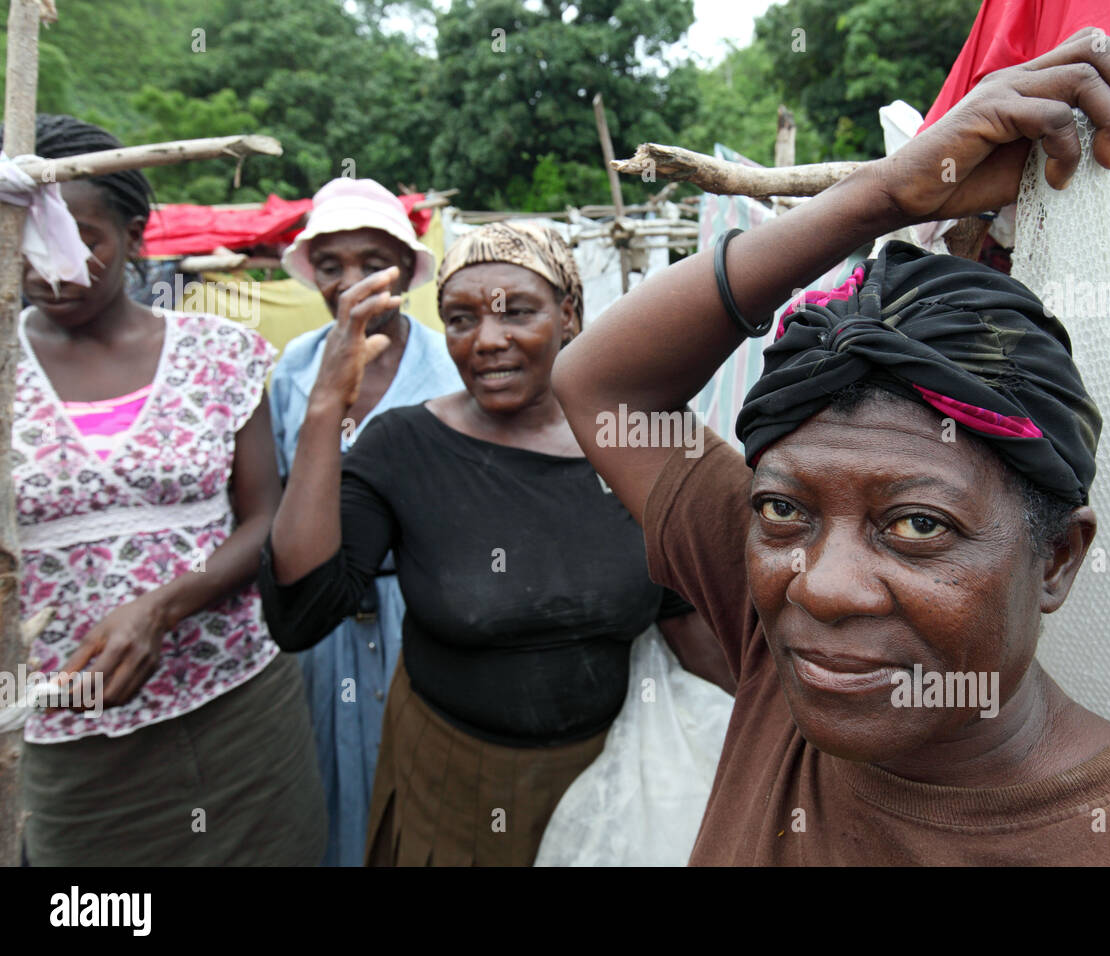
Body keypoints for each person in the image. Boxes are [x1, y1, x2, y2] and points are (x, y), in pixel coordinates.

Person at [552, 31, 1110, 865]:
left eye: (916, 526)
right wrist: (881, 200)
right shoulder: (785, 658)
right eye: (780, 509)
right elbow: (601, 389)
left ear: (1057, 556)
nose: (825, 588)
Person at [259, 220, 722, 866]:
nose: (487, 341)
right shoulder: (402, 447)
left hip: (614, 769)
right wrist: (325, 408)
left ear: (568, 315)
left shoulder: (632, 446)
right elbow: (302, 613)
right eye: (460, 319)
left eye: (517, 314)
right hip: (453, 782)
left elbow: (684, 615)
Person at [10, 114, 326, 865]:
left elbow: (264, 520)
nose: (56, 266)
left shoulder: (219, 353)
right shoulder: (1, 369)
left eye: (87, 239)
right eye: (27, 240)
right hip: (70, 740)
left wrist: (161, 608)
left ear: (135, 234)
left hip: (240, 708)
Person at [270, 177, 463, 867]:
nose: (352, 281)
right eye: (331, 265)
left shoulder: (451, 369)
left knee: (427, 787)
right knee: (332, 783)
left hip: (425, 613)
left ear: (407, 271)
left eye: (372, 262)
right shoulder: (294, 372)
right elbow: (281, 504)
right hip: (321, 628)